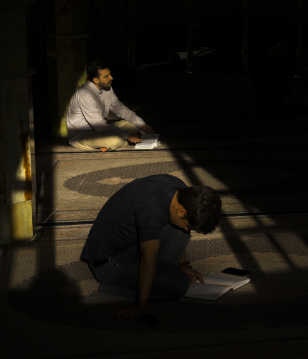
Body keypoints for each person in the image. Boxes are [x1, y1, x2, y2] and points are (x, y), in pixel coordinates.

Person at [80, 174, 222, 319]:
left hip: (130, 245)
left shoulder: (180, 190)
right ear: (181, 211)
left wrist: (183, 264)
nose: (188, 230)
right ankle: (115, 284)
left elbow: (179, 229)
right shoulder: (151, 209)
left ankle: (159, 275)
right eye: (189, 226)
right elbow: (148, 259)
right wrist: (140, 305)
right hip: (107, 263)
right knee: (179, 285)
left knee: (179, 229)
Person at [66, 60, 155, 151]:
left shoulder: (107, 88)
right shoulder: (85, 94)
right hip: (84, 135)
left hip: (101, 129)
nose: (111, 78)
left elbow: (120, 109)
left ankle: (109, 143)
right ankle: (114, 142)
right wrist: (127, 136)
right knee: (115, 141)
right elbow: (98, 124)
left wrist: (141, 124)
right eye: (106, 76)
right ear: (96, 80)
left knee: (134, 126)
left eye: (110, 74)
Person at [250, 38, 308, 119]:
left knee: (301, 106)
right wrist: (281, 96)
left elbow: (284, 81)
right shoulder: (261, 63)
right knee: (285, 108)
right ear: (271, 49)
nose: (281, 51)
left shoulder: (279, 63)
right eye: (279, 48)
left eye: (282, 48)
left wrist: (291, 94)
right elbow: (265, 84)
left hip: (279, 94)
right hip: (267, 96)